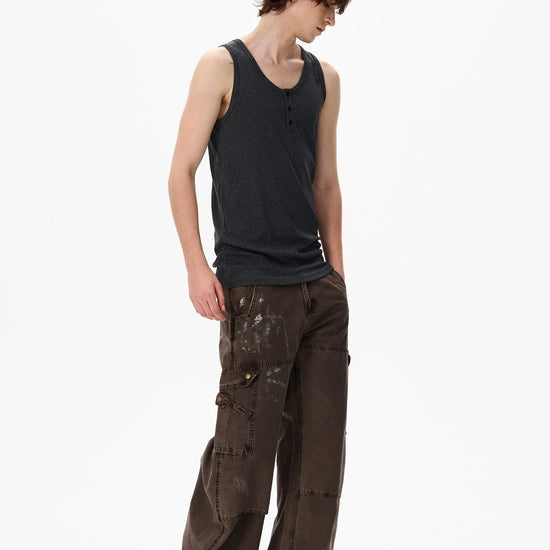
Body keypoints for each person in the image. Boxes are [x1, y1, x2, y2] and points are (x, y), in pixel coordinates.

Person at [168, 1, 352, 548]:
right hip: (253, 292)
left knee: (318, 467)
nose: (332, 19)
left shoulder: (325, 79)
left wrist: (337, 278)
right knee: (242, 457)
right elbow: (181, 171)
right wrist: (197, 268)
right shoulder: (221, 67)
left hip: (319, 294)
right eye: (327, 4)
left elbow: (326, 183)